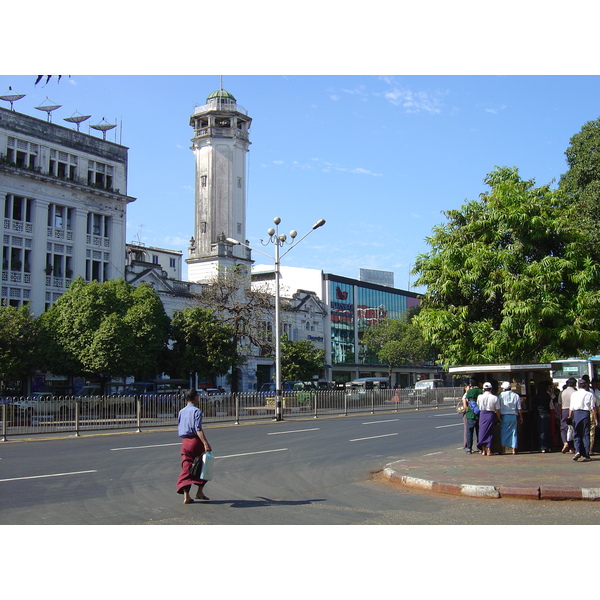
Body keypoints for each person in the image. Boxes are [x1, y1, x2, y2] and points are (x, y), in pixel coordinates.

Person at [176, 388, 213, 504]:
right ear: (195, 398)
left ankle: (186, 495)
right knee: (203, 466)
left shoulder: (181, 411)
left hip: (185, 442)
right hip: (195, 442)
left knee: (187, 467)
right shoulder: (197, 411)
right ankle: (200, 491)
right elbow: (198, 429)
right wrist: (205, 443)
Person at [569, 378, 598, 462]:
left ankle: (578, 450)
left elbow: (571, 407)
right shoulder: (589, 394)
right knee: (586, 434)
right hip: (585, 414)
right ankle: (586, 453)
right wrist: (595, 419)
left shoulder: (574, 394)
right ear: (586, 386)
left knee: (577, 433)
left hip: (576, 414)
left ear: (578, 385)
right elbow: (593, 408)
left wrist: (569, 417)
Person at [498, 381, 523, 454]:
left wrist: (498, 418)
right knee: (513, 432)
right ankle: (514, 449)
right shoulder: (516, 395)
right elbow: (519, 408)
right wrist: (521, 417)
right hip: (513, 416)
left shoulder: (501, 395)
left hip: (504, 416)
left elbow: (498, 407)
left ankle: (503, 450)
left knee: (503, 432)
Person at [477, 382, 501, 456]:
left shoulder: (479, 397)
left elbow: (478, 405)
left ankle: (483, 450)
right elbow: (497, 410)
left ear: (483, 389)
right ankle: (489, 450)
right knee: (490, 432)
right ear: (491, 389)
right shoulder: (494, 397)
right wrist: (499, 418)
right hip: (490, 414)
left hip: (482, 414)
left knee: (482, 432)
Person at [531, 380, 553, 452]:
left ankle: (543, 447)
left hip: (540, 414)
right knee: (548, 431)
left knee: (542, 431)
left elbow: (534, 405)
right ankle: (549, 447)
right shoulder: (547, 396)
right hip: (547, 413)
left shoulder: (537, 396)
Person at [558, 378, 577, 453]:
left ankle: (565, 442)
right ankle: (572, 447)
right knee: (573, 428)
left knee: (563, 428)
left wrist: (561, 413)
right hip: (574, 410)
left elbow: (559, 404)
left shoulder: (562, 392)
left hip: (564, 410)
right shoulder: (575, 392)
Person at [462, 380, 481, 454]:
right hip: (479, 414)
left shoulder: (469, 392)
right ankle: (480, 447)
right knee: (479, 431)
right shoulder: (481, 391)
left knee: (469, 431)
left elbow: (466, 401)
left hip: (470, 414)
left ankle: (469, 448)